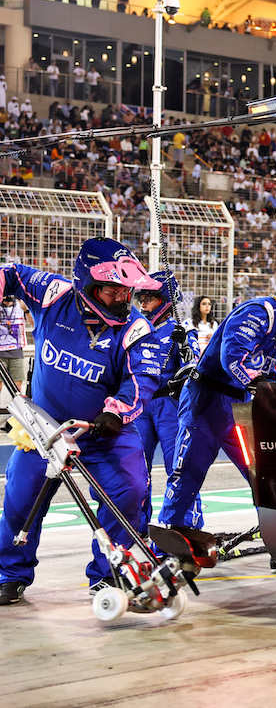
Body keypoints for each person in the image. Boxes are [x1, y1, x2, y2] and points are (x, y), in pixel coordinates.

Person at [0, 238, 163, 605]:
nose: (122, 297)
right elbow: (9, 274)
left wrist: (117, 412)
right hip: (44, 427)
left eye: (127, 289)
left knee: (130, 491)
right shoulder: (54, 294)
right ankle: (9, 574)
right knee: (20, 497)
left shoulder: (137, 328)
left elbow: (143, 379)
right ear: (86, 284)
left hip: (103, 430)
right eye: (112, 289)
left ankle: (109, 575)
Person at [158, 263, 276, 530]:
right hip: (207, 400)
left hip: (240, 404)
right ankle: (169, 540)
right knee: (188, 475)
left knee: (264, 473)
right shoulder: (261, 312)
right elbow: (232, 359)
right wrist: (263, 388)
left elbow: (267, 370)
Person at [133, 271, 201, 529]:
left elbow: (195, 367)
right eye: (141, 299)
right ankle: (136, 526)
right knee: (136, 469)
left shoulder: (182, 331)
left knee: (179, 467)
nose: (142, 304)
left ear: (164, 300)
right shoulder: (135, 328)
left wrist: (186, 347)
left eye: (148, 299)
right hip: (139, 405)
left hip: (170, 406)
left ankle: (184, 527)